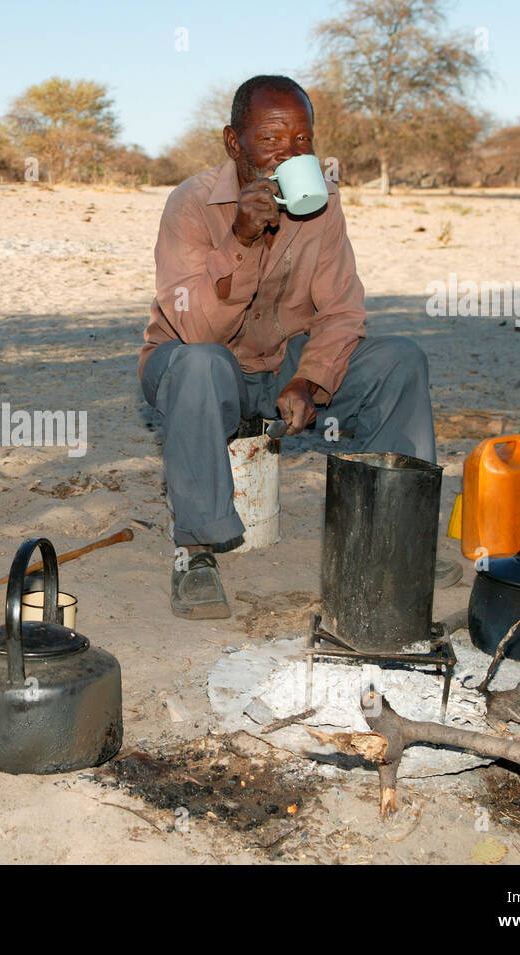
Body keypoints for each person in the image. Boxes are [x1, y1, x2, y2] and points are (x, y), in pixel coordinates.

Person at [140, 75, 438, 620]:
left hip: (280, 365)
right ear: (234, 144)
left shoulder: (322, 206)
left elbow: (344, 311)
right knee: (201, 363)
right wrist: (241, 240)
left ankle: (397, 534)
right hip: (198, 369)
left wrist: (311, 378)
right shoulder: (191, 204)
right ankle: (197, 551)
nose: (291, 154)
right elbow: (196, 329)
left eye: (303, 141)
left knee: (399, 359)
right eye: (273, 140)